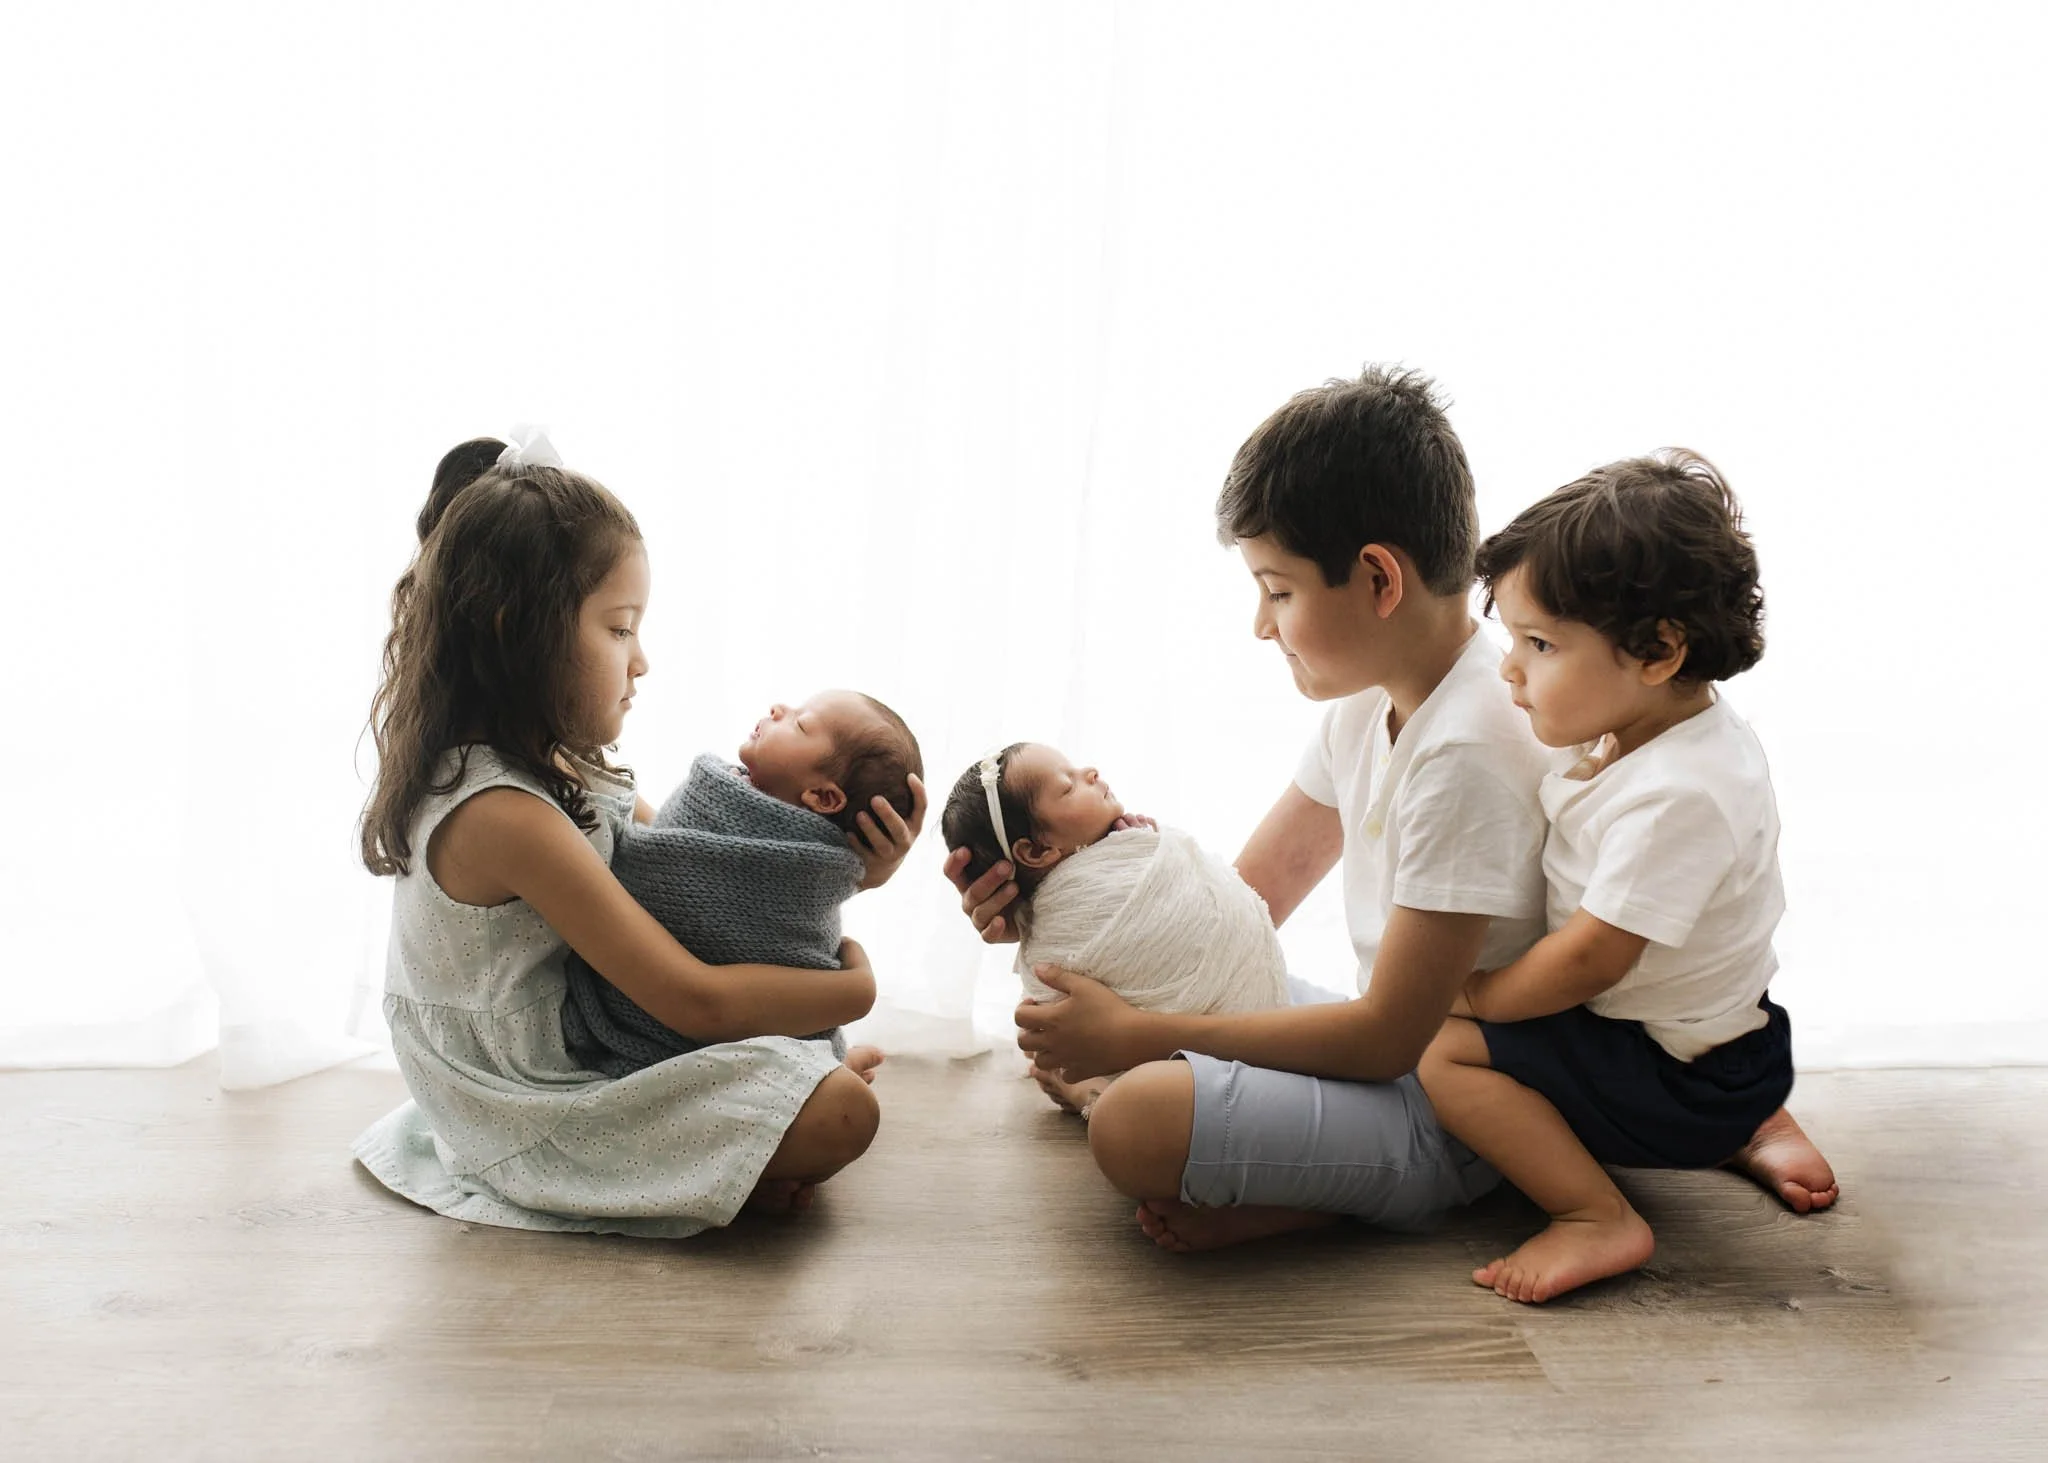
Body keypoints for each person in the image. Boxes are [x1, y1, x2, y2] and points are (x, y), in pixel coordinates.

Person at [946, 367, 1837, 1254]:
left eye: (1278, 590)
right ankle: (1311, 1184)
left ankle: (1402, 1189)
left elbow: (1386, 1038)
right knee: (1076, 1032)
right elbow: (1242, 905)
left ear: (1378, 578)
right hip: (1404, 1042)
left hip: (1465, 1098)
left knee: (1131, 1119)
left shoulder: (1470, 748)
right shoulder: (1369, 704)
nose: (1261, 624)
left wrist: (1138, 1035)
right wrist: (1063, 918)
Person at [351, 433, 924, 1236]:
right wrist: (855, 990)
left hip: (601, 1038)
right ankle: (733, 1148)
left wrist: (858, 871)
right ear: (521, 632)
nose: (642, 660)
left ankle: (751, 1130)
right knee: (844, 1115)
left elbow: (700, 873)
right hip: (531, 1102)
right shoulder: (501, 812)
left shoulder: (555, 762)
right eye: (620, 629)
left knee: (813, 1088)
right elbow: (693, 999)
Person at [1418, 451, 1797, 1303]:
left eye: (1540, 644)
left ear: (1658, 650)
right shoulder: (1652, 722)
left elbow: (1594, 957)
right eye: (1513, 638)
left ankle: (1596, 1214)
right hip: (1718, 1035)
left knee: (1437, 1049)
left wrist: (1476, 995)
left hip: (1683, 1077)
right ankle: (1755, 1128)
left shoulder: (1680, 793)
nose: (1509, 668)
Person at [562, 690, 923, 1077]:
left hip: (736, 1029)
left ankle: (818, 1066)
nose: (778, 708)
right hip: (677, 1012)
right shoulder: (718, 799)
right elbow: (671, 861)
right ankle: (821, 1066)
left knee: (836, 1095)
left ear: (822, 796)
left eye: (801, 724)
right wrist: (857, 980)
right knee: (825, 1089)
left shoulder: (801, 867)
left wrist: (861, 873)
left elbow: (753, 903)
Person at [940, 742, 1288, 1113]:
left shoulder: (1126, 860)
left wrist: (1146, 847)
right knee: (1128, 1109)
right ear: (1037, 852)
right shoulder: (1075, 911)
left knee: (1120, 1113)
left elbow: (1193, 917)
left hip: (1244, 1024)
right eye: (1068, 786)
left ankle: (1090, 1088)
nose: (1090, 771)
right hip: (1242, 1033)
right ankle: (1103, 1084)